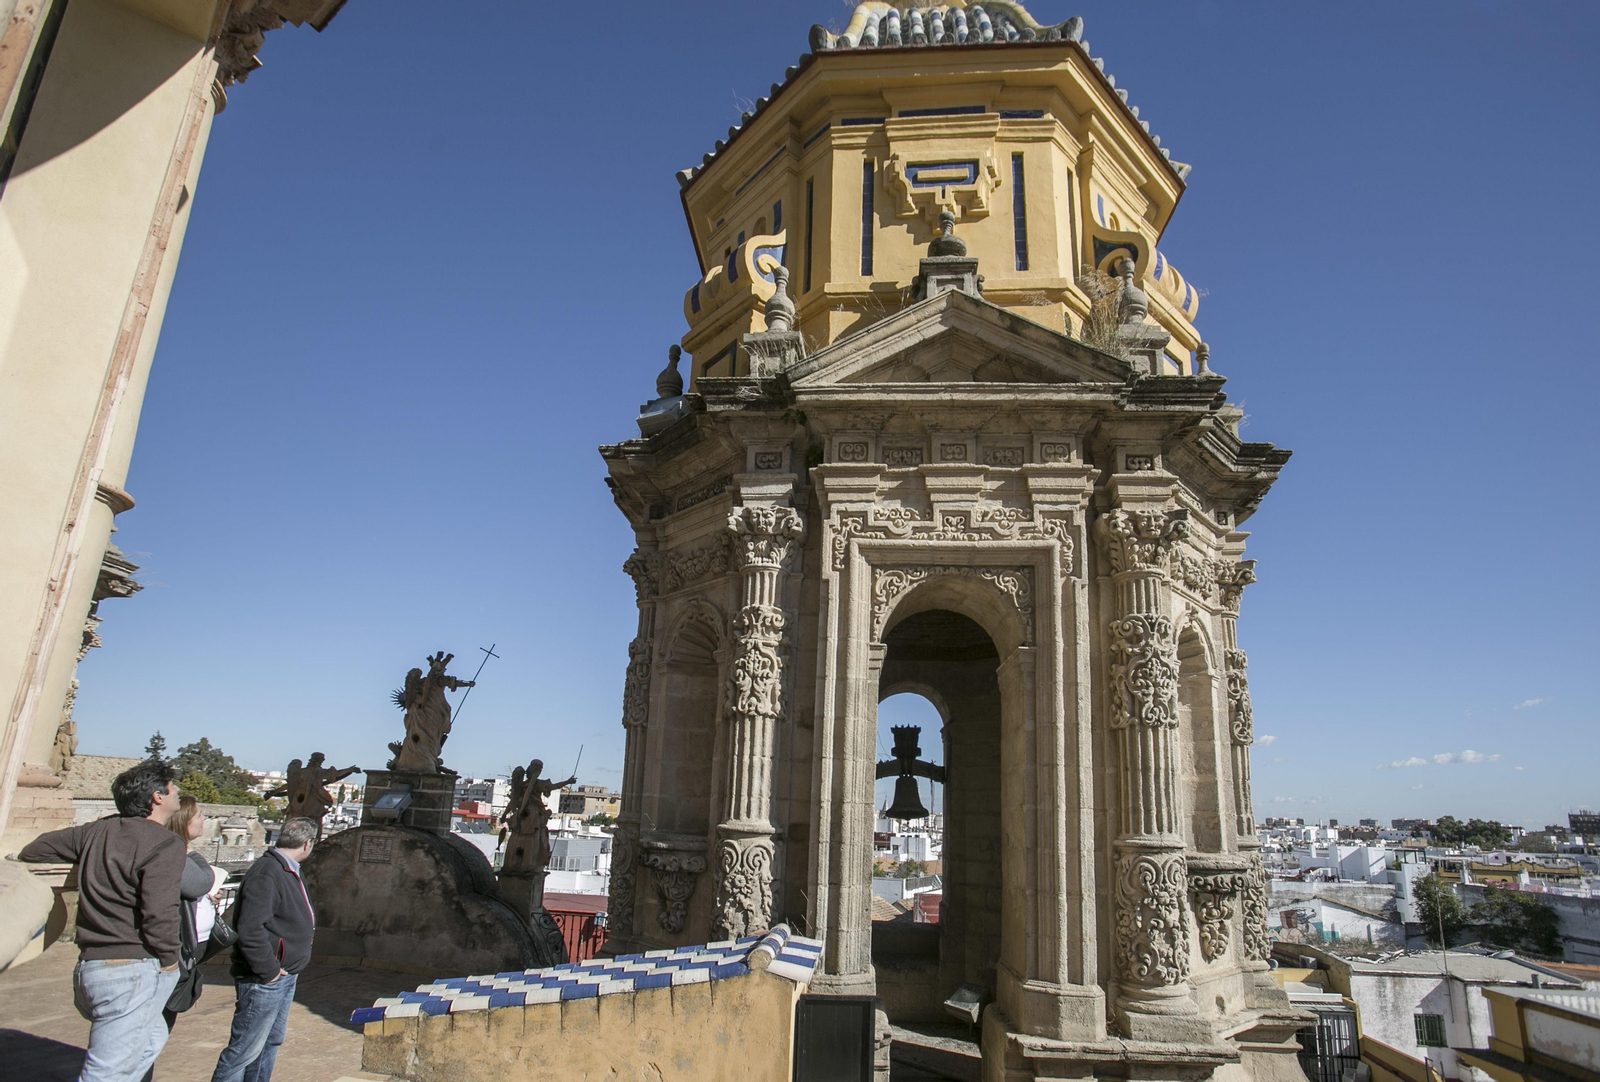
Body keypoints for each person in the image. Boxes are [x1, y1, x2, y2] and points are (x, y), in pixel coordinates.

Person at [17, 758, 186, 1082]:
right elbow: (159, 913)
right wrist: (170, 960)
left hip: (92, 968)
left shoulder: (98, 831)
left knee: (151, 1040)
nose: (177, 790)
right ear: (157, 797)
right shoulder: (165, 843)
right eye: (172, 786)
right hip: (131, 970)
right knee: (104, 1074)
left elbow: (37, 849)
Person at [210, 817, 318, 1082]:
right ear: (307, 844)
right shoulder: (267, 872)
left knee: (269, 1042)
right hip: (265, 978)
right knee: (243, 1050)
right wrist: (269, 970)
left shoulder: (288, 868)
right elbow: (250, 929)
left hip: (284, 974)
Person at [163, 793, 227, 1029]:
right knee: (162, 1015)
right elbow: (201, 880)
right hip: (178, 947)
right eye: (199, 815)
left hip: (192, 946)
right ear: (183, 820)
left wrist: (208, 899)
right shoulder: (179, 854)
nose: (203, 819)